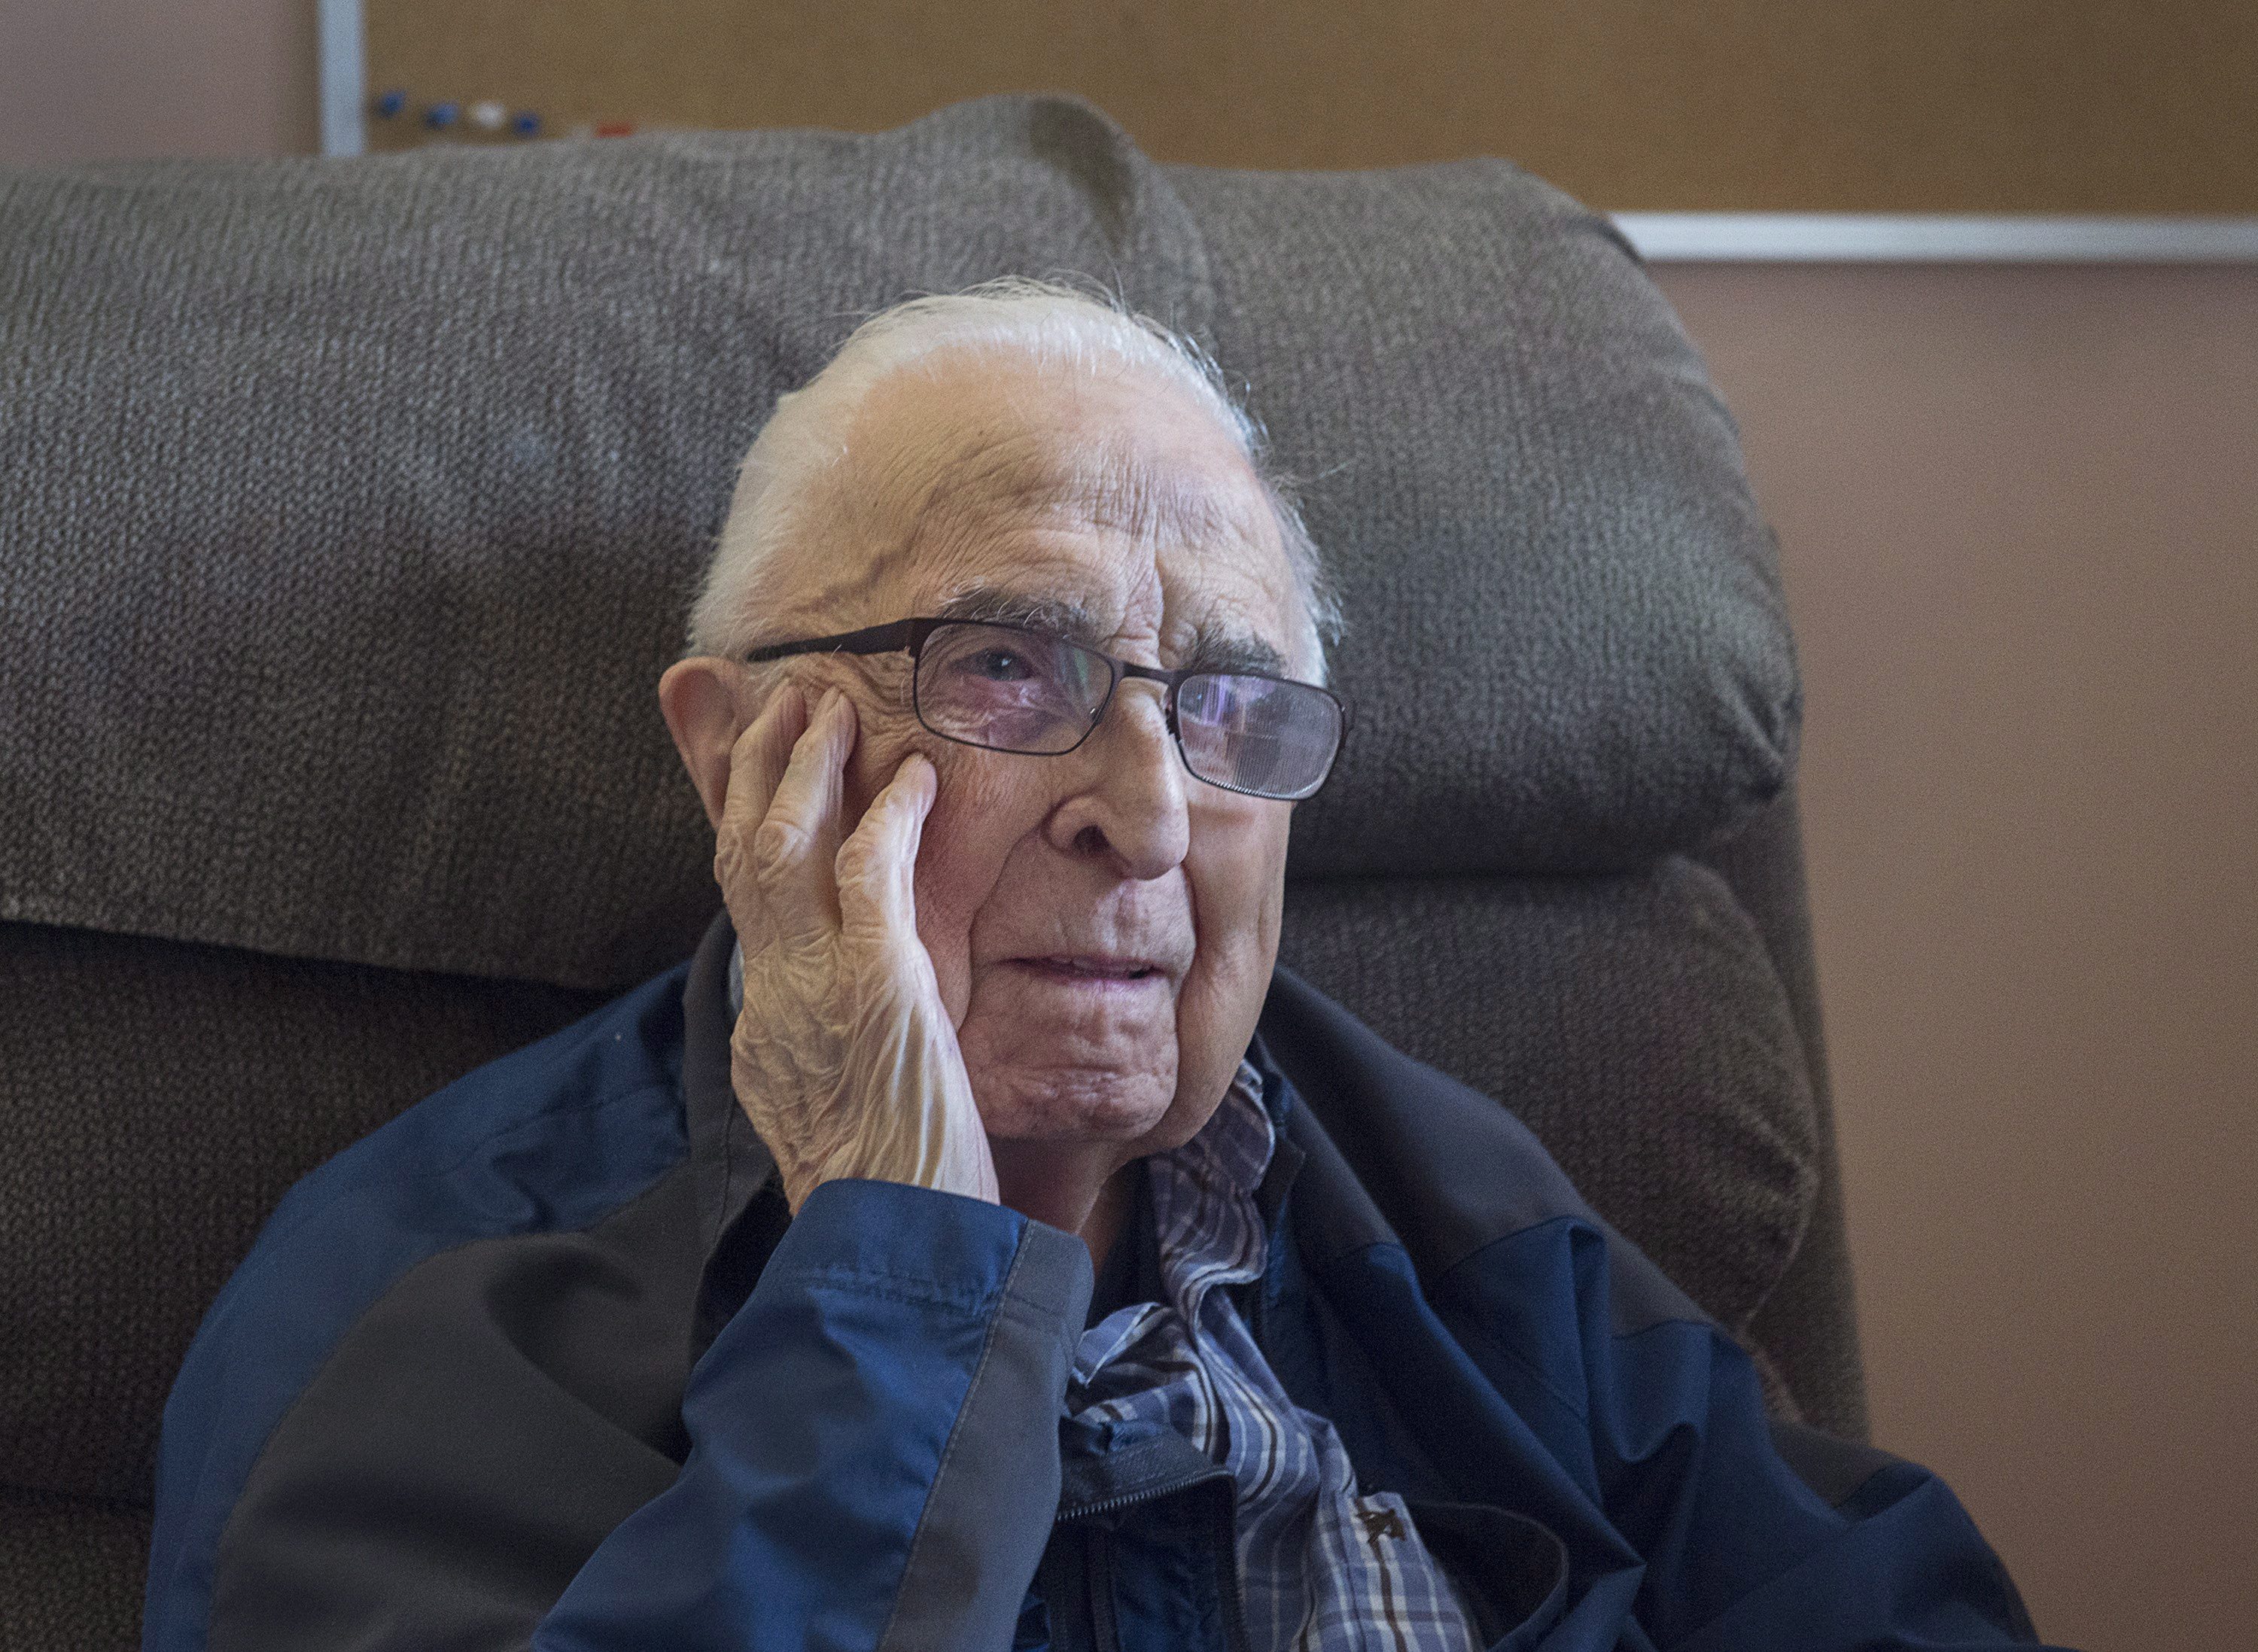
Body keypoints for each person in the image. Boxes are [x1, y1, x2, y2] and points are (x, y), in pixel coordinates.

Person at [142, 281, 2056, 1652]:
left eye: (1229, 705)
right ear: (740, 761)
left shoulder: (1459, 1223)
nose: (1147, 816)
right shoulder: (418, 1291)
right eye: (1006, 666)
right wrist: (900, 1265)